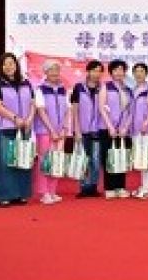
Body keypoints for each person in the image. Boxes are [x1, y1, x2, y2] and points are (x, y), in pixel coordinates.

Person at [0, 52, 35, 207]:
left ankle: (21, 194)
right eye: (5, 64)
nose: (9, 66)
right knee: (5, 163)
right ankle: (4, 196)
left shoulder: (26, 82)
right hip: (4, 128)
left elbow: (33, 103)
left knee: (23, 160)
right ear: (1, 67)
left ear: (16, 65)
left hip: (24, 128)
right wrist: (15, 118)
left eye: (11, 63)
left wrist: (29, 119)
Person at [34, 60, 70, 205]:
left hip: (60, 132)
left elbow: (67, 110)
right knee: (45, 161)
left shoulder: (63, 89)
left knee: (57, 160)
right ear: (45, 72)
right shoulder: (40, 89)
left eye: (57, 70)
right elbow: (41, 111)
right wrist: (52, 130)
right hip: (45, 131)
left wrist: (64, 128)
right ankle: (44, 193)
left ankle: (53, 191)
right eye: (51, 70)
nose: (54, 73)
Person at [98, 60, 133, 199]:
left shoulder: (128, 89)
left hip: (123, 131)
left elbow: (131, 111)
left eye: (121, 70)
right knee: (109, 158)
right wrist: (110, 127)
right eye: (116, 70)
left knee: (122, 158)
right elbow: (102, 107)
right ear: (111, 72)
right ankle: (109, 188)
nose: (119, 72)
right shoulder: (106, 87)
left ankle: (120, 187)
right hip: (108, 129)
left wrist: (125, 127)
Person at [71, 60, 104, 198]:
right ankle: (84, 187)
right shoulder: (79, 87)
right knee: (83, 159)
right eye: (94, 70)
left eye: (99, 71)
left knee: (95, 160)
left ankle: (93, 186)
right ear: (88, 71)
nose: (97, 73)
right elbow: (74, 110)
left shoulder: (102, 88)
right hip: (82, 130)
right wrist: (77, 130)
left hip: (97, 130)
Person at [130, 63, 148, 199]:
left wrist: (146, 124)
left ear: (146, 73)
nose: (139, 74)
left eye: (142, 71)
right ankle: (143, 186)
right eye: (136, 71)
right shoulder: (132, 90)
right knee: (141, 159)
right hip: (135, 130)